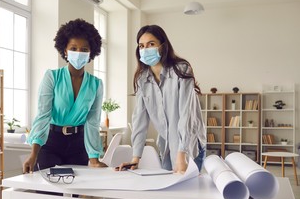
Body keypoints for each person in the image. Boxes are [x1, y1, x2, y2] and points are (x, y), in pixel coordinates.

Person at [119, 24, 206, 173]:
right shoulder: (142, 79)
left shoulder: (181, 70)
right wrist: (135, 158)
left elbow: (187, 115)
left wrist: (181, 156)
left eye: (151, 44)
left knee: (187, 192)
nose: (145, 49)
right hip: (166, 146)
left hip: (189, 145)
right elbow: (139, 119)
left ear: (162, 47)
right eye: (141, 46)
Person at [23, 18, 106, 173]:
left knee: (74, 193)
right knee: (48, 191)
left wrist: (94, 159)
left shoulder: (96, 84)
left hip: (78, 145)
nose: (79, 53)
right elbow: (43, 116)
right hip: (51, 142)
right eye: (73, 48)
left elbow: (92, 122)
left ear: (91, 53)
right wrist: (33, 154)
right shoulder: (52, 77)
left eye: (84, 49)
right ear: (65, 51)